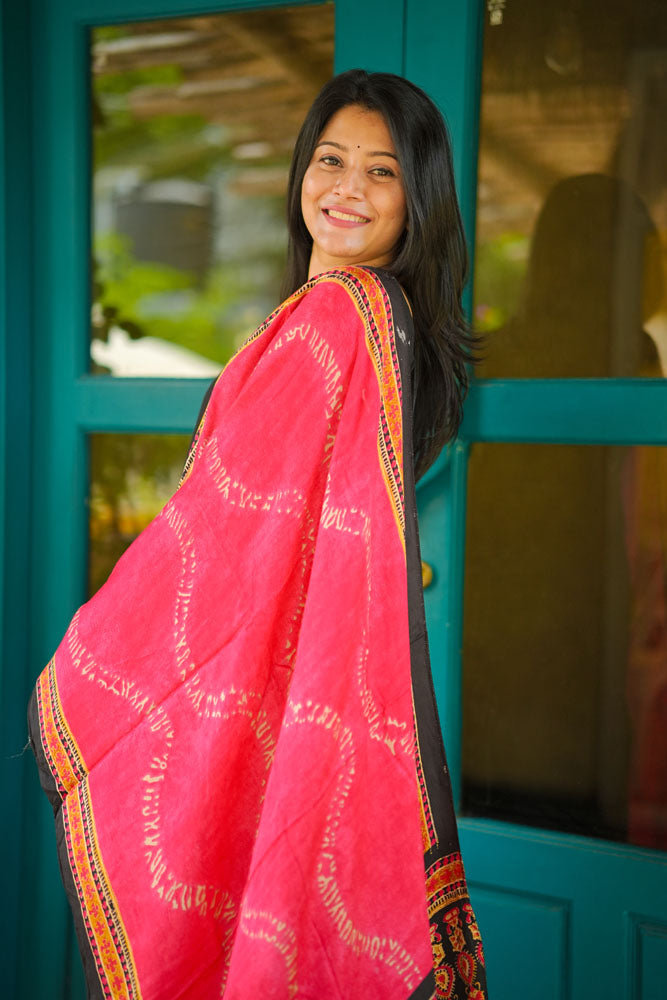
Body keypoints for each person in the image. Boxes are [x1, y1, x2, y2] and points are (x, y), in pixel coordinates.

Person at [28, 70, 487, 999]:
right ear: (299, 174)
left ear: (417, 202)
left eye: (381, 173)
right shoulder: (372, 320)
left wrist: (88, 655)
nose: (347, 190)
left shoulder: (335, 318)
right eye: (329, 161)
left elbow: (231, 532)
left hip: (275, 694)